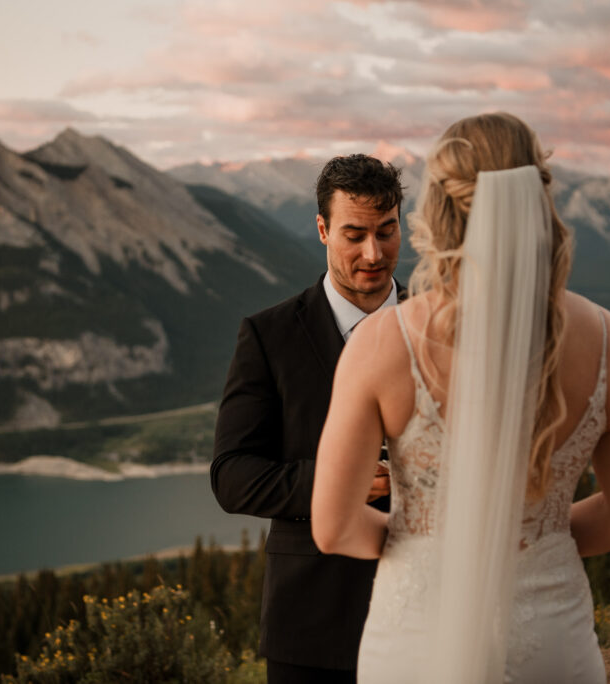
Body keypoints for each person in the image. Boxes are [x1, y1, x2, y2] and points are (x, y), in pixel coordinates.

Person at [311, 113, 610, 683]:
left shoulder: (383, 345)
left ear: (440, 212)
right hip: (551, 638)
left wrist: (427, 549)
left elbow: (335, 527)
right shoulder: (609, 343)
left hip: (416, 639)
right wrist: (531, 541)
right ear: (539, 198)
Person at [211, 154, 406, 683]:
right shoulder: (267, 336)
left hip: (428, 608)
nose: (374, 253)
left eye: (387, 232)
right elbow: (231, 477)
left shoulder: (439, 326)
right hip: (313, 623)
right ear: (322, 230)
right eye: (354, 234)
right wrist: (336, 484)